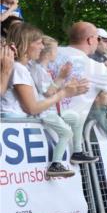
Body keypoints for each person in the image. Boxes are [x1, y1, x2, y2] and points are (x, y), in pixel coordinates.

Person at [1, 24, 89, 178]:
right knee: (67, 131)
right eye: (39, 42)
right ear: (27, 43)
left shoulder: (23, 68)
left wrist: (64, 87)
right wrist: (63, 93)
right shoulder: (19, 69)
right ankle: (57, 163)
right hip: (17, 125)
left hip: (22, 125)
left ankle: (69, 156)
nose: (42, 47)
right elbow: (32, 108)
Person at [50, 21, 107, 135]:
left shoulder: (52, 52)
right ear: (90, 40)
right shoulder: (94, 66)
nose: (97, 42)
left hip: (40, 126)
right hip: (68, 133)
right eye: (97, 39)